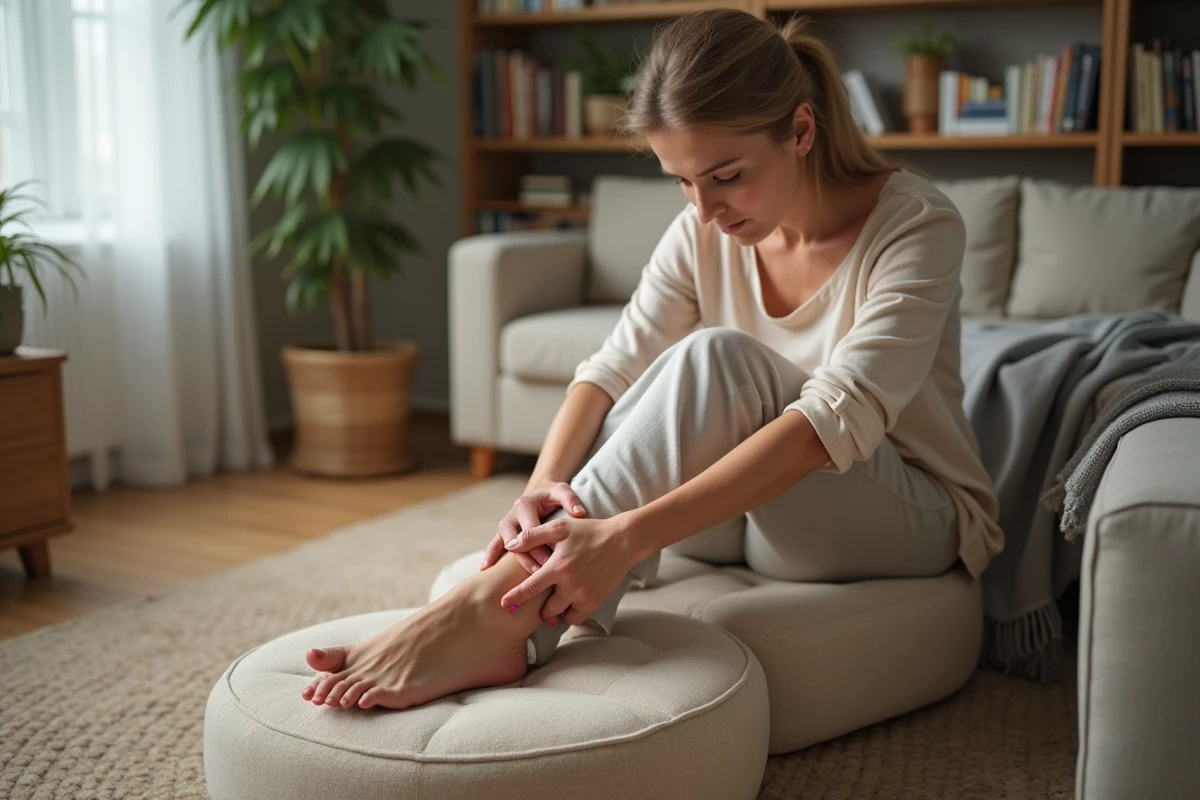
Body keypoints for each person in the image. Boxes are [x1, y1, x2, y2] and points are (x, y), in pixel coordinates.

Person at [299, 8, 1004, 711]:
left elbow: (835, 418)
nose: (705, 211)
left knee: (717, 359)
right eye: (682, 182)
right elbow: (612, 368)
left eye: (726, 175)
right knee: (675, 372)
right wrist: (539, 487)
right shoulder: (704, 230)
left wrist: (622, 537)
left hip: (897, 515)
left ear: (799, 131)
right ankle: (501, 604)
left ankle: (489, 613)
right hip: (741, 520)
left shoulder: (917, 225)